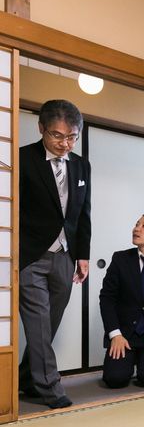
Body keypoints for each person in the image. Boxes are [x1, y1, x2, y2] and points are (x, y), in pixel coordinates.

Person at [19, 99, 91, 409]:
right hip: (31, 256)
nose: (65, 144)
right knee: (38, 322)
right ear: (41, 129)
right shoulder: (23, 159)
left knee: (48, 324)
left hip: (65, 256)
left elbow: (83, 214)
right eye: (57, 136)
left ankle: (26, 379)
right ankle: (51, 388)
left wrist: (83, 255)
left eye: (72, 137)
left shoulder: (81, 165)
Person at [100, 212, 144, 389]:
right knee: (114, 379)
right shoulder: (120, 259)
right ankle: (129, 360)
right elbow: (106, 299)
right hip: (124, 334)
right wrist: (115, 335)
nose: (136, 229)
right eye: (137, 224)